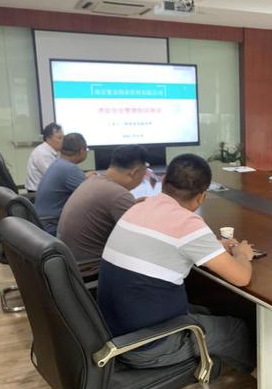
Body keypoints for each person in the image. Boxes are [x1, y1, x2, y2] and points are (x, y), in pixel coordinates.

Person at [97, 153, 256, 372]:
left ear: (163, 181)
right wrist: (242, 254)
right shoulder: (188, 224)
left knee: (209, 310)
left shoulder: (138, 207)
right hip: (147, 346)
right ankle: (261, 383)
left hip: (113, 332)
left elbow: (169, 244)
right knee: (238, 329)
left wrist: (212, 246)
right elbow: (242, 277)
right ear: (201, 197)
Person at [57, 144, 148, 263]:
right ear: (135, 172)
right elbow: (143, 239)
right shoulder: (118, 195)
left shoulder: (93, 181)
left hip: (70, 263)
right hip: (92, 267)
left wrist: (132, 206)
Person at [34, 133, 91, 236]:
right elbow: (93, 195)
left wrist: (84, 177)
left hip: (41, 223)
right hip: (52, 226)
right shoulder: (71, 169)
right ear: (82, 151)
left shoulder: (58, 164)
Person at [25, 123, 64, 192]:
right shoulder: (43, 153)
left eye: (63, 138)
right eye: (59, 138)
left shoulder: (53, 151)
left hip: (46, 190)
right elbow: (54, 177)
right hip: (37, 193)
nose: (63, 141)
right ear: (48, 139)